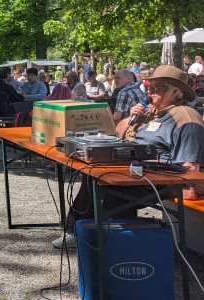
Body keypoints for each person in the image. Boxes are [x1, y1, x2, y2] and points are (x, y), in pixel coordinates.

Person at [54, 65, 204, 249]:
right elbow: (119, 133)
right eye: (149, 86)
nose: (150, 91)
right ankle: (80, 232)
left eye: (157, 87)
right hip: (136, 171)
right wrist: (131, 116)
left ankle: (116, 245)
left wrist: (161, 178)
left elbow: (190, 170)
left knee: (109, 188)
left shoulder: (186, 118)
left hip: (160, 179)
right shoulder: (151, 110)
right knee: (91, 175)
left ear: (175, 91)